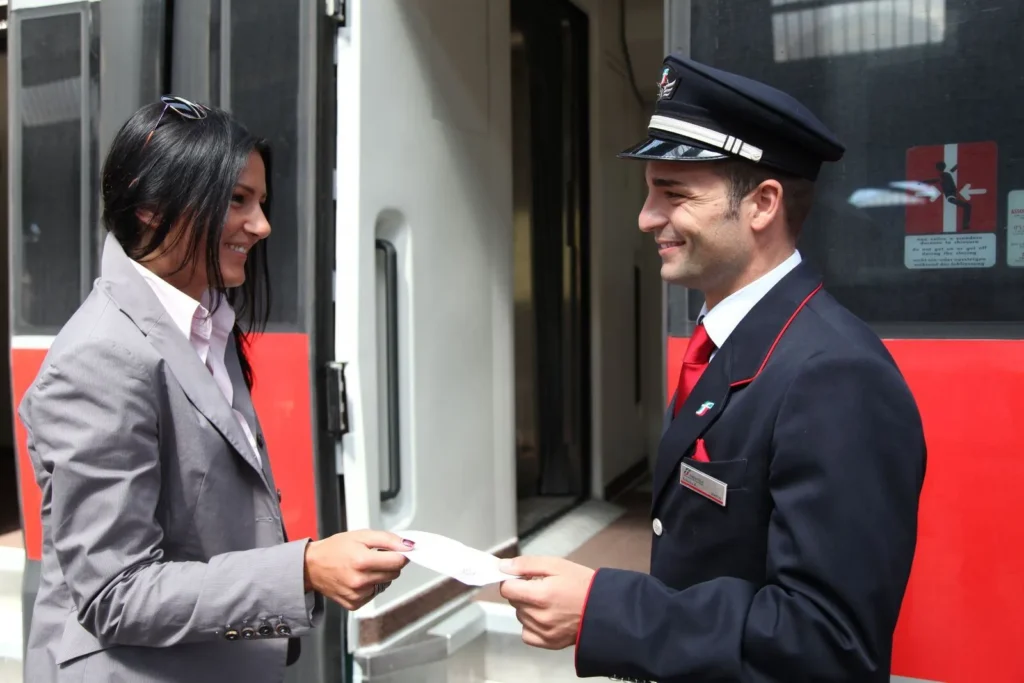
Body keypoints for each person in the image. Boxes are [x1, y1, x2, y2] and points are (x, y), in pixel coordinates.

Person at [499, 55, 926, 681]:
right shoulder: (732, 342)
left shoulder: (836, 378)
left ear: (763, 204)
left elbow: (827, 644)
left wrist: (606, 611)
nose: (646, 218)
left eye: (673, 194)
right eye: (649, 192)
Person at [19, 95, 412, 683]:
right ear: (151, 208)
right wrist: (302, 568)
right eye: (237, 201)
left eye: (261, 202)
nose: (262, 226)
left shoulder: (207, 321)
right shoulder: (102, 358)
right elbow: (114, 593)